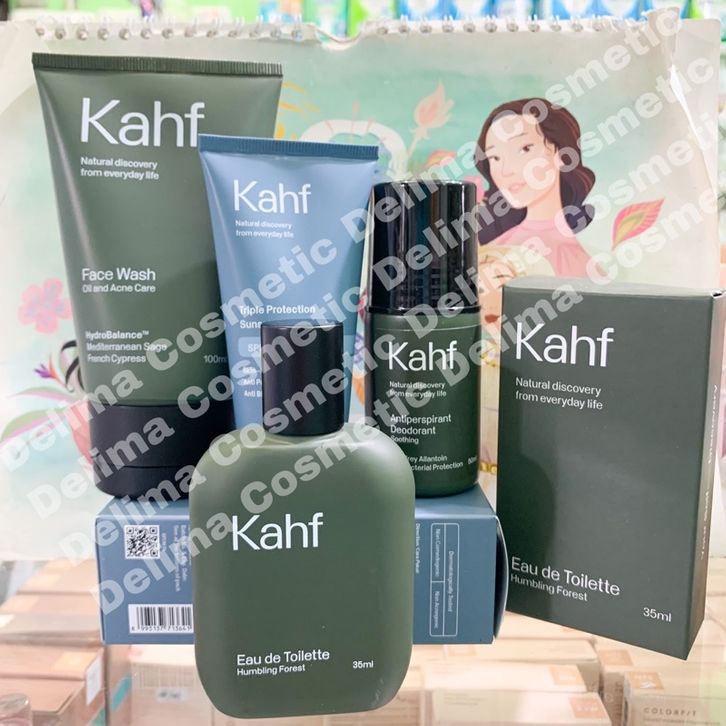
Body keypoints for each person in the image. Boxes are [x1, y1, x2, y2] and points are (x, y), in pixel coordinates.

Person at [475, 97, 597, 278]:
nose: (506, 170)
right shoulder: (492, 251)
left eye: (524, 149)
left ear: (560, 153)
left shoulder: (577, 262)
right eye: (495, 158)